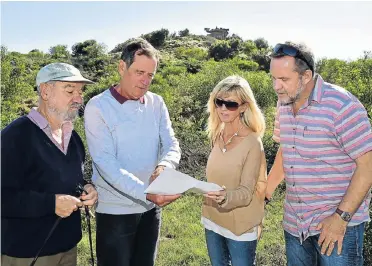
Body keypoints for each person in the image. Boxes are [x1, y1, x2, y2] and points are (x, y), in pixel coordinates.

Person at [266, 41, 372, 266]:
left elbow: (368, 166)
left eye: (284, 79)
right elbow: (287, 150)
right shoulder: (284, 102)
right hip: (295, 225)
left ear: (306, 76)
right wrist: (265, 191)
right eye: (273, 78)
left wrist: (340, 218)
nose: (276, 86)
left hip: (337, 227)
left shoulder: (342, 106)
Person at [84, 38, 181, 266]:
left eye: (150, 75)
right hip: (115, 212)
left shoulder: (157, 103)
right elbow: (105, 163)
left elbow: (171, 144)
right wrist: (147, 192)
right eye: (139, 72)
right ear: (121, 67)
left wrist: (164, 166)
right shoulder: (97, 107)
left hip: (150, 210)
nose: (145, 81)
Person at [1, 62, 98, 266]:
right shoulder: (14, 137)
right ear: (45, 91)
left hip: (68, 247)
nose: (79, 99)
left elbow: (69, 178)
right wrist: (51, 204)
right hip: (27, 254)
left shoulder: (73, 137)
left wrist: (87, 188)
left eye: (80, 91)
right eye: (69, 90)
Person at [202, 75, 267, 266]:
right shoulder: (217, 133)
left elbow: (246, 193)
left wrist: (224, 197)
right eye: (219, 102)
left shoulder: (253, 143)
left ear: (244, 107)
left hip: (241, 226)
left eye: (230, 104)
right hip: (212, 219)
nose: (222, 108)